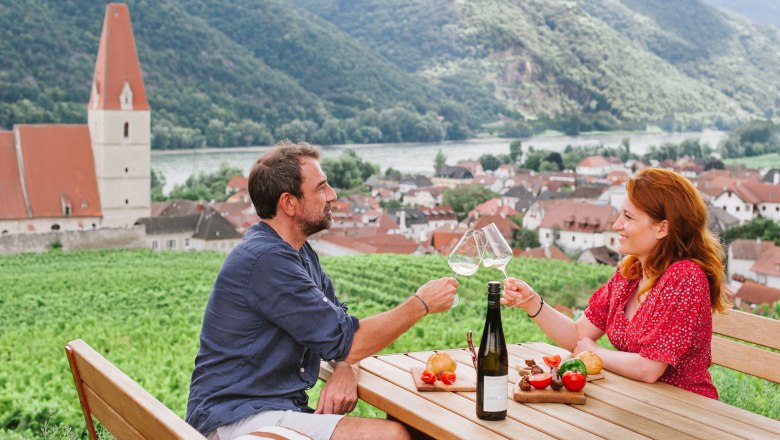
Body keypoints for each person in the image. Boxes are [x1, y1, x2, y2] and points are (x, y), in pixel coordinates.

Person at [185, 140, 458, 440]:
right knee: (395, 436)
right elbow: (350, 341)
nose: (332, 195)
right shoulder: (267, 260)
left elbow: (340, 326)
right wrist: (421, 304)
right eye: (321, 187)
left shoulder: (296, 252)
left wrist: (346, 367)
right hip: (234, 420)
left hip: (264, 411)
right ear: (289, 203)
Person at [502, 167, 730, 399]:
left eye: (628, 217)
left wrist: (595, 352)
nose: (617, 225)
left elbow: (649, 368)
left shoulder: (685, 277)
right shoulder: (630, 273)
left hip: (685, 406)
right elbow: (578, 336)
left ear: (662, 228)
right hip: (638, 399)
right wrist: (533, 303)